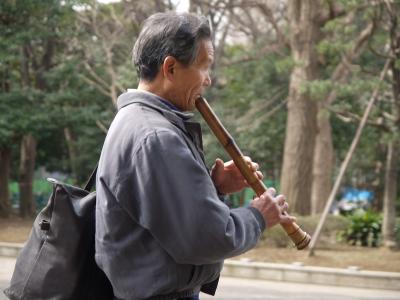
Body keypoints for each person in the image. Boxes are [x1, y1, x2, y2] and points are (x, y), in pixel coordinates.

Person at [95, 11, 295, 300]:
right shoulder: (157, 136)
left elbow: (160, 213)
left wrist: (215, 187)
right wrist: (258, 216)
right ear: (171, 68)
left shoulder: (134, 120)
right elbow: (206, 238)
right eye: (204, 67)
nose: (208, 81)